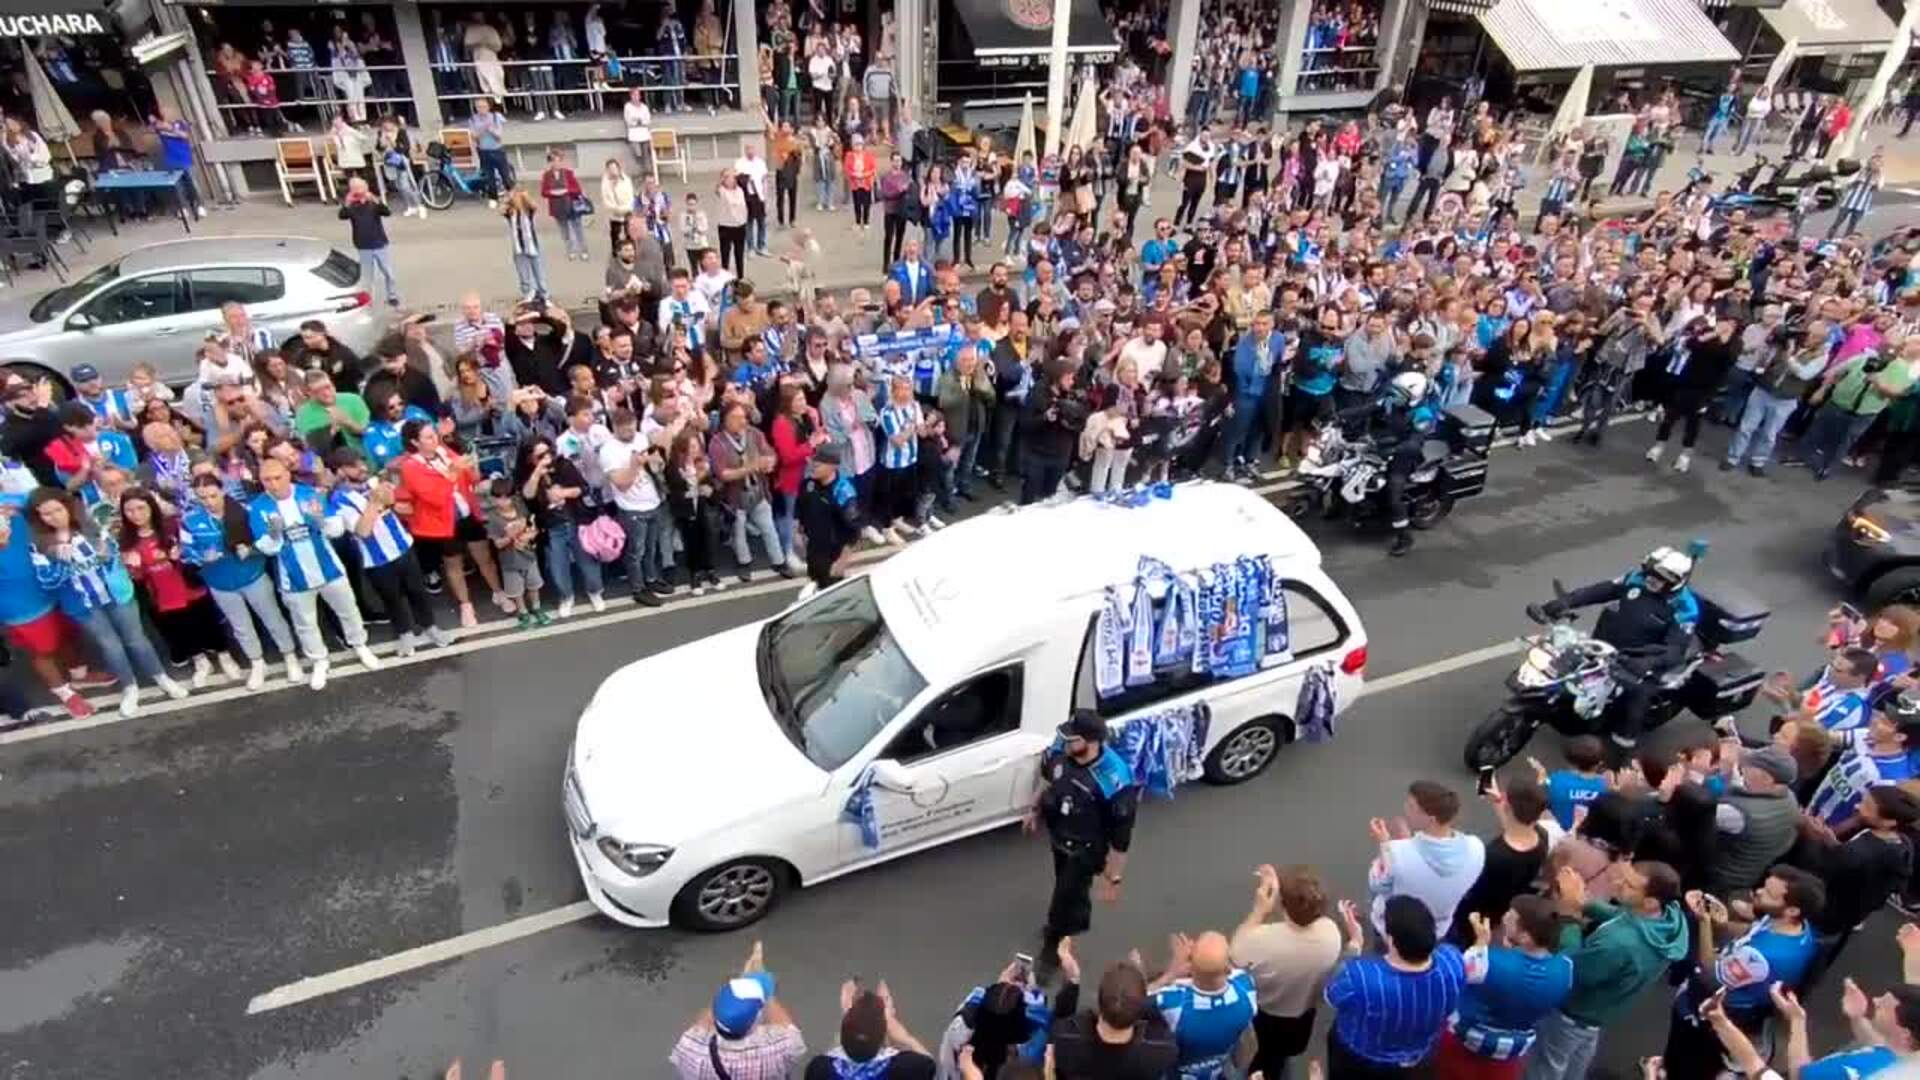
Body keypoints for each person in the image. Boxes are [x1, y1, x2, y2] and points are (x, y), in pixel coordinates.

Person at [27, 487, 188, 717]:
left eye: (57, 509)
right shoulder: (39, 545)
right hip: (83, 604)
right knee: (110, 646)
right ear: (38, 518)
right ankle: (129, 688)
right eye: (46, 513)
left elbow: (112, 551)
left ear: (67, 507)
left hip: (116, 593)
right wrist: (61, 562)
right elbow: (47, 581)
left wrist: (104, 551)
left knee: (136, 640)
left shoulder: (89, 526)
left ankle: (162, 678)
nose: (54, 516)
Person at [1529, 546, 1700, 760]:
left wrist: (1647, 663)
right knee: (1561, 663)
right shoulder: (1635, 579)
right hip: (1605, 646)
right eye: (1649, 573)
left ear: (1675, 582)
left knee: (1636, 698)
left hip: (1641, 660)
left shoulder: (1685, 608)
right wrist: (1567, 601)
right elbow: (1601, 590)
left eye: (1658, 578)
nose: (1650, 579)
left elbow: (1675, 650)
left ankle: (1621, 753)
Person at [1523, 862, 1687, 1080]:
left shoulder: (1618, 944)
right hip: (1598, 1013)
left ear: (1650, 901)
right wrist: (1585, 903)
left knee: (1547, 1067)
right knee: (1576, 1063)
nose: (1618, 884)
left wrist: (1569, 915)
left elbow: (1572, 968)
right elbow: (1623, 916)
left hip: (1572, 1013)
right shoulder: (1667, 918)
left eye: (1629, 885)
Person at [1659, 867, 1823, 1079]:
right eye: (1765, 886)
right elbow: (1753, 931)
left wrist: (1704, 921)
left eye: (1769, 894)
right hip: (1746, 998)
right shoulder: (1797, 926)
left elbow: (1708, 967)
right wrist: (1725, 924)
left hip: (1710, 1011)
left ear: (1792, 910)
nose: (1758, 892)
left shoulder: (1759, 957)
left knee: (1684, 1060)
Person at [248, 457, 380, 690]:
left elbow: (337, 529)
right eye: (267, 480)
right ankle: (319, 660)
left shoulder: (309, 494)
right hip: (294, 578)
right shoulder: (258, 507)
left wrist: (320, 522)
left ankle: (360, 645)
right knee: (305, 623)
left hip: (328, 568)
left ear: (288, 475)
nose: (273, 484)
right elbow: (266, 547)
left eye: (277, 477)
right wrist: (275, 535)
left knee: (348, 609)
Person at [1027, 709, 1138, 984]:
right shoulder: (1063, 749)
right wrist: (1034, 809)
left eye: (1071, 739)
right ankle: (1068, 920)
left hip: (1085, 851)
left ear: (1090, 742)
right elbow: (1047, 775)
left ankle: (1054, 948)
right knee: (1064, 888)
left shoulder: (1114, 779)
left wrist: (1114, 878)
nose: (1063, 742)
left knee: (1065, 900)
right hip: (1059, 838)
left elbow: (1121, 837)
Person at [327, 447, 451, 657]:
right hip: (376, 560)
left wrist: (387, 493)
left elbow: (393, 502)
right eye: (354, 466)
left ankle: (431, 627)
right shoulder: (338, 500)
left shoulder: (374, 482)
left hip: (403, 547)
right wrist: (374, 502)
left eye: (361, 462)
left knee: (418, 592)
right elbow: (362, 531)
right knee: (392, 599)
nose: (362, 468)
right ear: (340, 471)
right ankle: (405, 634)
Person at [1324, 893, 1465, 1077]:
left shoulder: (1360, 977)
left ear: (1391, 940)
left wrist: (1355, 944)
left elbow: (1331, 994)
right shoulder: (1453, 962)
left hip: (1359, 1058)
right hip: (1417, 1058)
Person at [181, 472, 297, 690]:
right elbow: (186, 553)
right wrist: (201, 558)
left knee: (272, 618)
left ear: (222, 491)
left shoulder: (245, 510)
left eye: (213, 495)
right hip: (220, 583)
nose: (209, 502)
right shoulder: (189, 521)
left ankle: (289, 655)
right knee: (241, 626)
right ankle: (257, 662)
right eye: (202, 498)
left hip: (252, 575)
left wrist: (251, 551)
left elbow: (265, 540)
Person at [1439, 899, 1573, 1080]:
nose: (1504, 918)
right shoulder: (1566, 969)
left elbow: (1458, 974)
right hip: (1511, 1050)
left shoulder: (1487, 961)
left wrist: (1480, 944)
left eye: (1511, 918)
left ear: (1525, 937)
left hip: (1467, 1040)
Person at [117, 489, 239, 688]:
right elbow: (136, 577)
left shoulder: (171, 527)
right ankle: (201, 662)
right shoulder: (126, 540)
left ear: (151, 507)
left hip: (189, 584)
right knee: (182, 628)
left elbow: (192, 550)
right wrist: (135, 567)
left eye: (141, 508)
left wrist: (181, 555)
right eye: (129, 510)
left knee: (208, 622)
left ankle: (225, 656)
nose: (136, 514)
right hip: (162, 593)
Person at [392, 419, 509, 627]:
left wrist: (471, 470)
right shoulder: (411, 467)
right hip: (442, 523)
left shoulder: (444, 451)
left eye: (434, 435)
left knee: (484, 557)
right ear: (415, 442)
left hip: (467, 513)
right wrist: (455, 471)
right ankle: (466, 605)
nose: (435, 439)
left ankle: (498, 592)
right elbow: (435, 497)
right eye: (428, 437)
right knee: (454, 564)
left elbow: (470, 476)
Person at [1232, 863, 1342, 1080]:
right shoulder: (1331, 934)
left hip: (1266, 1014)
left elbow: (1236, 952)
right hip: (1302, 1015)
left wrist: (1260, 910)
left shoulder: (1262, 941)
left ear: (1281, 903)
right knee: (1284, 1052)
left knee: (1261, 1055)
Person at [1367, 779, 1486, 943]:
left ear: (1431, 819)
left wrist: (1385, 845)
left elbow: (1377, 884)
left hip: (1395, 928)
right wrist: (1408, 842)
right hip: (1438, 927)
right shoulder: (1476, 848)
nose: (1405, 810)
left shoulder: (1396, 853)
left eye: (1411, 807)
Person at [668, 941, 807, 1080]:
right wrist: (764, 989)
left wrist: (732, 991)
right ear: (755, 1023)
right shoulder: (783, 1046)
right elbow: (787, 1027)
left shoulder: (690, 1046)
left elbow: (701, 1025)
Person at [1448, 774, 1550, 950]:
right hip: (1502, 908)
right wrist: (1497, 801)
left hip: (1473, 914)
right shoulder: (1541, 838)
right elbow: (1515, 825)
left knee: (1460, 941)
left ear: (1509, 807)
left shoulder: (1494, 855)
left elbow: (1469, 886)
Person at [1145, 931, 1256, 1079]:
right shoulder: (1246, 990)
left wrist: (1171, 973)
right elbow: (1234, 973)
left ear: (1190, 969)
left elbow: (1135, 1003)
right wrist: (1205, 959)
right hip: (1217, 1067)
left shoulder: (1173, 1002)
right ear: (1228, 969)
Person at [1048, 961, 1179, 1079]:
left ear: (1099, 1001)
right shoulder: (1161, 1050)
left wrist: (1073, 981)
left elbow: (1059, 1022)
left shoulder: (1066, 1038)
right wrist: (1161, 981)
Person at [1711, 744, 1804, 896]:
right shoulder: (1789, 798)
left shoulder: (1739, 814)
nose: (1743, 769)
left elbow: (1695, 813)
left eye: (1748, 769)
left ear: (1767, 779)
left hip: (1719, 878)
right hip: (1749, 876)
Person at [599, 407, 668, 606]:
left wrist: (655, 462)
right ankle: (638, 588)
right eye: (625, 430)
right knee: (635, 551)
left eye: (632, 427)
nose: (630, 432)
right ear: (615, 428)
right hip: (631, 508)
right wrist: (634, 465)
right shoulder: (608, 450)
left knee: (650, 548)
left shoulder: (641, 438)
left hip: (652, 501)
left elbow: (653, 465)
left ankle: (652, 579)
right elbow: (620, 483)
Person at [803, 981, 936, 1079]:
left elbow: (836, 1056)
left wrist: (852, 1018)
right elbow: (930, 1065)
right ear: (886, 1029)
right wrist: (905, 1037)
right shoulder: (908, 1067)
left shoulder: (819, 1069)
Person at [538, 148, 590, 262]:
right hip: (557, 208)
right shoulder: (546, 175)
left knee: (578, 229)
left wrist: (566, 190)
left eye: (558, 160)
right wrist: (552, 192)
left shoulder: (568, 173)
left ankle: (584, 250)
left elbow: (577, 189)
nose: (556, 163)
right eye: (553, 161)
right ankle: (571, 251)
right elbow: (543, 192)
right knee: (564, 231)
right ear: (550, 162)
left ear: (561, 161)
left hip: (571, 206)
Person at [502, 188, 550, 304]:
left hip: (531, 245)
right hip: (518, 247)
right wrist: (509, 198)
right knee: (523, 272)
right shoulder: (511, 213)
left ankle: (543, 294)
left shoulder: (528, 212)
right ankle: (528, 292)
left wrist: (524, 196)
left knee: (538, 271)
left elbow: (534, 206)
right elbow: (502, 210)